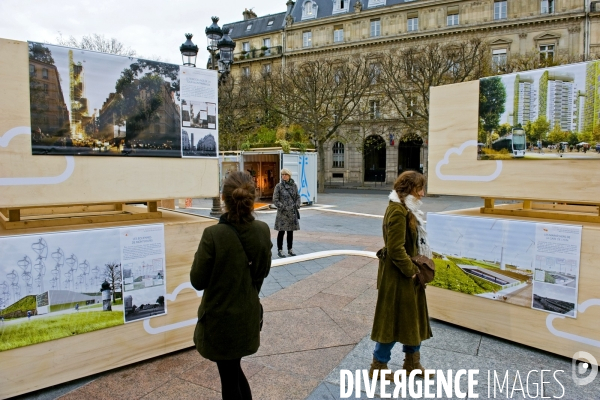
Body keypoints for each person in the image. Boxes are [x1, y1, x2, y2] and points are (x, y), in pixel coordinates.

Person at [190, 171, 272, 400]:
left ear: (224, 199)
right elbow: (263, 270)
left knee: (229, 379)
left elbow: (197, 280)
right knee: (233, 371)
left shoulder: (213, 235)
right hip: (247, 315)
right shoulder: (262, 230)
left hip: (219, 320)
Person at [369, 170, 433, 379]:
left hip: (406, 275)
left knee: (412, 319)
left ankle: (412, 364)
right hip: (399, 276)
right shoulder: (397, 211)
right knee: (392, 320)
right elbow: (395, 248)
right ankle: (378, 366)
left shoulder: (407, 209)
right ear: (408, 189)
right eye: (419, 188)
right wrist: (413, 272)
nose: (423, 193)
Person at [272, 168, 301, 258]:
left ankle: (290, 249)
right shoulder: (279, 186)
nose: (283, 176)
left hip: (292, 212)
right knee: (281, 232)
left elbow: (298, 196)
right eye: (282, 174)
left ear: (289, 176)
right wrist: (283, 207)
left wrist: (297, 204)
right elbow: (275, 200)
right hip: (282, 213)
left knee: (290, 232)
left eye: (285, 174)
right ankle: (280, 250)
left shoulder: (294, 186)